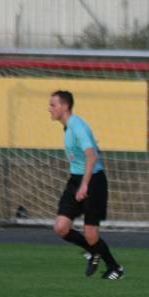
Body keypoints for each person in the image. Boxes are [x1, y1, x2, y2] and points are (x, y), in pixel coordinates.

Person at [49, 90, 124, 280]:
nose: (49, 109)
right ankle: (92, 252)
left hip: (93, 181)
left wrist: (84, 186)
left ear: (65, 107)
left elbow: (92, 156)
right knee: (60, 227)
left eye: (53, 105)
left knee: (91, 234)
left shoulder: (77, 126)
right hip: (76, 179)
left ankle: (115, 267)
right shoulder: (68, 127)